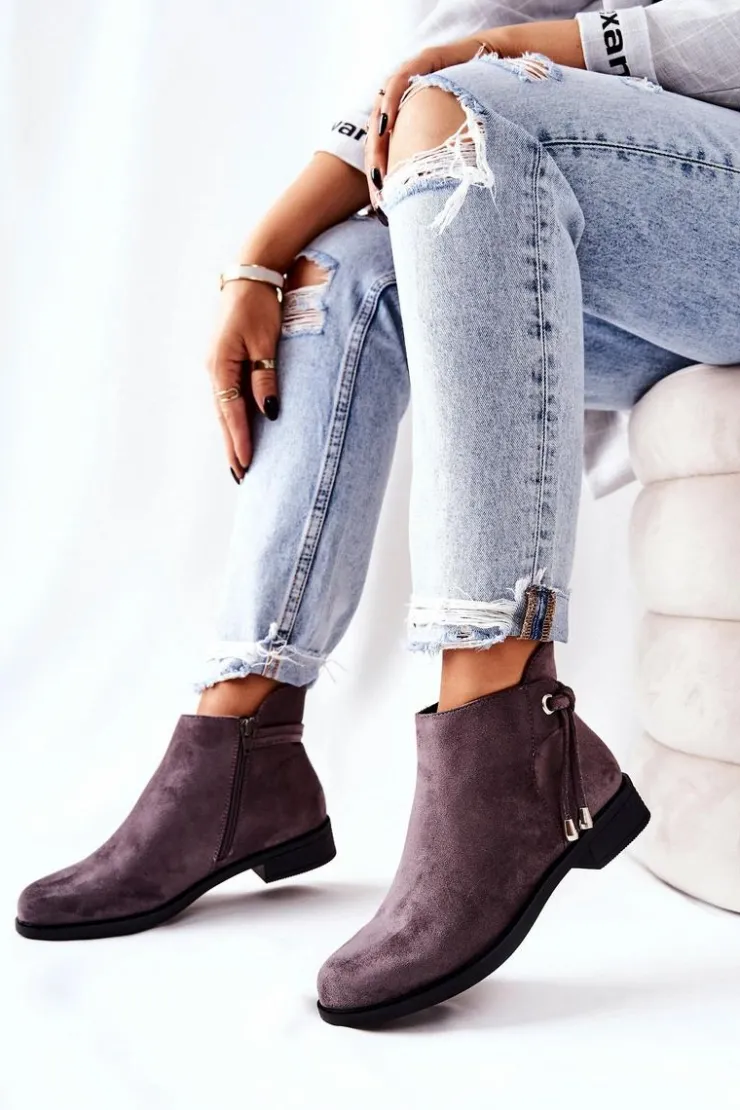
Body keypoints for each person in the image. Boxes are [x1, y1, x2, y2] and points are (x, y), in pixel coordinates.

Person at [16, 0, 740, 1028]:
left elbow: (479, 76)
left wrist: (508, 62)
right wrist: (261, 256)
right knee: (347, 266)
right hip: (664, 248)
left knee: (476, 119)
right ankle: (242, 742)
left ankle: (503, 729)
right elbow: (432, 72)